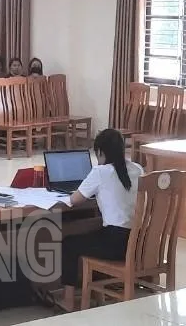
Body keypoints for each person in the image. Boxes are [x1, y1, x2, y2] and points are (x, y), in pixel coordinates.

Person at [56, 129, 144, 311]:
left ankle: (68, 301)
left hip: (116, 244)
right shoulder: (138, 169)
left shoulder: (100, 172)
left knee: (69, 243)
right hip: (138, 242)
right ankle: (98, 292)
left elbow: (75, 200)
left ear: (101, 152)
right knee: (93, 233)